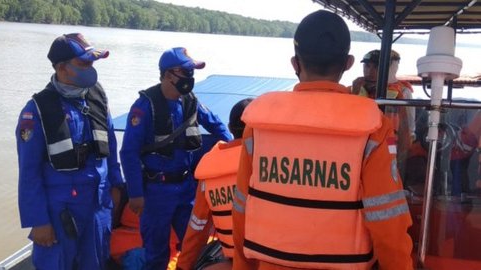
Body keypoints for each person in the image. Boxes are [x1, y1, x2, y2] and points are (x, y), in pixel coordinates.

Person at [232, 10, 413, 270]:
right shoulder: (373, 127)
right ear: (349, 63)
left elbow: (241, 208)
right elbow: (388, 222)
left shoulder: (258, 126)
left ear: (295, 63)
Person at [16, 33, 124, 270]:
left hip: (98, 207)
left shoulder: (97, 98)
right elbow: (28, 173)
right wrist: (39, 221)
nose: (91, 68)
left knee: (95, 264)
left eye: (92, 62)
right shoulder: (37, 111)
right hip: (61, 212)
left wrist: (117, 187)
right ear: (62, 67)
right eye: (84, 63)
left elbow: (111, 147)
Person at [120, 47, 233, 270]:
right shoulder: (144, 106)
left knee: (195, 246)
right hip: (155, 193)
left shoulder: (190, 101)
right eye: (186, 71)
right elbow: (129, 152)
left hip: (186, 189)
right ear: (168, 74)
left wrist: (233, 150)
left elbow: (217, 125)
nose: (190, 77)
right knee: (156, 253)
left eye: (192, 72)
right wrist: (135, 193)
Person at [176, 98, 253, 270]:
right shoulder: (267, 162)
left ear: (231, 128)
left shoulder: (209, 171)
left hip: (232, 260)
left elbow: (197, 228)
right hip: (265, 260)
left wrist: (182, 267)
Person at [352, 49, 415, 177]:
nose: (369, 72)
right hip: (361, 148)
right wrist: (354, 94)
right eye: (367, 66)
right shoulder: (357, 88)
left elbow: (409, 129)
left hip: (392, 149)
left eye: (376, 67)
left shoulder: (403, 92)